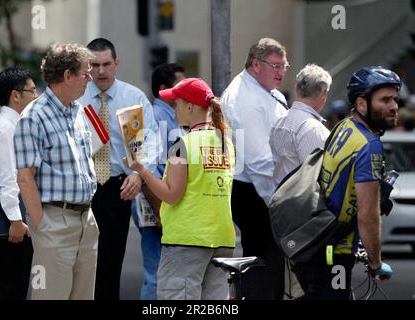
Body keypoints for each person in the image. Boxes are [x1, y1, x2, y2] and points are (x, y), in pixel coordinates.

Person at [293, 66, 398, 300]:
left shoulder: (344, 127)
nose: (393, 106)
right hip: (335, 251)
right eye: (385, 100)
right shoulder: (369, 145)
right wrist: (375, 263)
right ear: (362, 103)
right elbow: (368, 213)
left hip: (317, 242)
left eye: (395, 99)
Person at [127, 78, 236, 300]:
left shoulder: (183, 145)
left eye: (176, 103)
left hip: (186, 240)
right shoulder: (226, 142)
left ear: (190, 107)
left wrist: (141, 170)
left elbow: (172, 194)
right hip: (221, 238)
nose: (173, 108)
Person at [14, 43, 99, 300]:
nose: (90, 78)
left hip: (86, 220)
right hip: (54, 221)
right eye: (86, 73)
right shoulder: (33, 117)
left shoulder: (79, 111)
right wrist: (42, 224)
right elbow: (25, 177)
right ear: (67, 76)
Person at [79, 38, 160, 300]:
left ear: (116, 64)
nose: (100, 71)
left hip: (117, 188)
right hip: (82, 187)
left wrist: (139, 174)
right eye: (94, 65)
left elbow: (147, 143)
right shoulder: (76, 99)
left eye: (106, 64)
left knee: (111, 264)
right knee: (81, 263)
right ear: (86, 66)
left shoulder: (131, 98)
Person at [220, 37, 288, 299]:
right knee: (263, 265)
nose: (281, 72)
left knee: (272, 265)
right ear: (256, 65)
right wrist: (278, 203)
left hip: (266, 187)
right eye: (275, 66)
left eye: (284, 66)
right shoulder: (244, 99)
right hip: (254, 192)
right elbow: (259, 161)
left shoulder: (268, 92)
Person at [269, 64, 332, 299]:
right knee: (307, 288)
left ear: (296, 88)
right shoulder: (314, 129)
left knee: (292, 286)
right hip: (308, 221)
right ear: (324, 94)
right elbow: (319, 180)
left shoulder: (280, 124)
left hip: (283, 215)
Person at [132, 62, 185, 300]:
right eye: (179, 85)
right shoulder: (153, 117)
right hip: (156, 201)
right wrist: (157, 207)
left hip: (165, 202)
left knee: (166, 272)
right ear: (164, 89)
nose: (183, 90)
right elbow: (144, 168)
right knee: (156, 272)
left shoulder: (173, 116)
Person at [0, 67, 35, 299]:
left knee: (13, 285)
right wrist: (16, 220)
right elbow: (8, 180)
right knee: (11, 287)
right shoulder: (5, 129)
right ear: (16, 95)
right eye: (32, 91)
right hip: (12, 221)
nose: (35, 96)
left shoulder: (6, 125)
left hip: (15, 217)